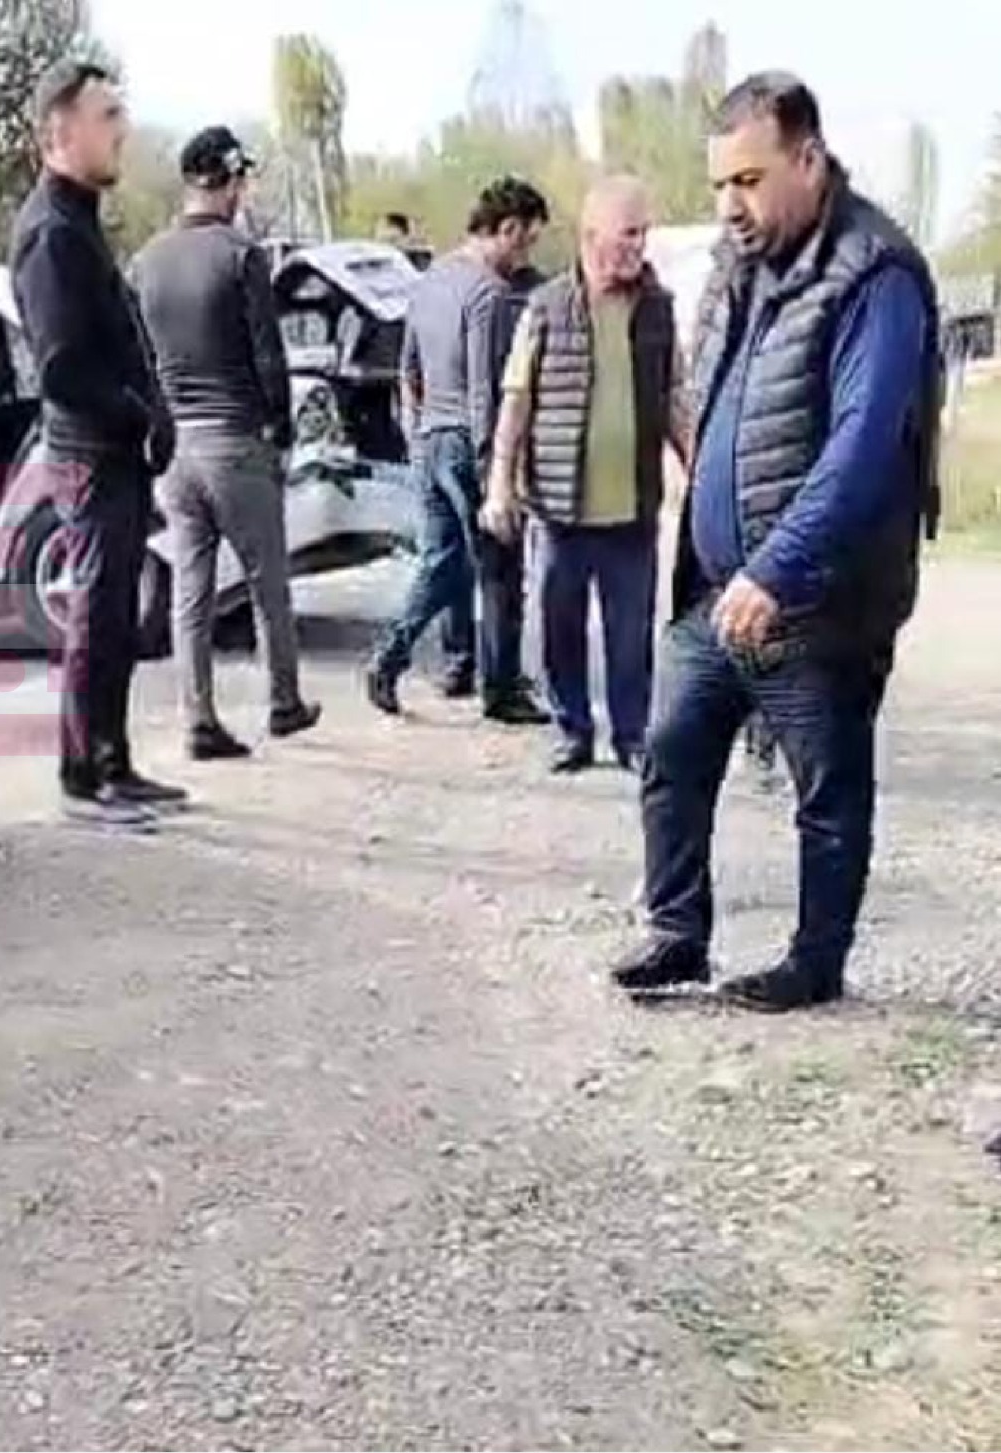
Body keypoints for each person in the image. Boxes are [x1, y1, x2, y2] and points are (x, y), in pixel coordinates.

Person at [613, 73, 941, 1012]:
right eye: (720, 184)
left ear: (808, 158)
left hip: (816, 595)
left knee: (825, 788)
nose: (730, 205)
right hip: (718, 586)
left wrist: (780, 564)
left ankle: (815, 962)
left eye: (748, 181)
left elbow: (866, 445)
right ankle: (677, 933)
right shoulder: (738, 263)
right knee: (672, 748)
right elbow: (711, 398)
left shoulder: (876, 274)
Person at [9, 60, 186, 830]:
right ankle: (83, 777)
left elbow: (115, 340)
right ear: (61, 132)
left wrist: (154, 411)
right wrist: (138, 416)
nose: (123, 130)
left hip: (114, 452)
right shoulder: (51, 233)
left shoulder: (79, 221)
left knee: (116, 614)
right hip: (90, 453)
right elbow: (63, 368)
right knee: (96, 612)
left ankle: (113, 763)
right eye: (107, 115)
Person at [483, 174, 692, 773]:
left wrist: (696, 467)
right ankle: (572, 730)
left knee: (631, 636)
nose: (638, 246)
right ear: (591, 235)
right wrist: (500, 484)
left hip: (632, 509)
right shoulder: (545, 308)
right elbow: (516, 401)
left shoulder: (658, 308)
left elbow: (676, 395)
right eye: (628, 234)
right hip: (560, 509)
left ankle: (631, 737)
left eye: (643, 233)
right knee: (560, 629)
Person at [130, 125, 322, 761]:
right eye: (243, 180)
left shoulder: (146, 262)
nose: (244, 193)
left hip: (176, 451)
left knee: (191, 590)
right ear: (230, 180)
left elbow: (140, 360)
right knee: (269, 582)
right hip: (236, 441)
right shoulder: (241, 255)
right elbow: (269, 356)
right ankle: (284, 703)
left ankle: (198, 718)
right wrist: (282, 430)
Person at [365, 177, 552, 720]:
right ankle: (501, 688)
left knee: (442, 562)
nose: (525, 257)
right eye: (526, 242)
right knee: (498, 568)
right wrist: (497, 473)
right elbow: (483, 391)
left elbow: (408, 369)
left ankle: (416, 659)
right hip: (469, 440)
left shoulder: (431, 281)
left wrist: (416, 435)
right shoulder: (487, 294)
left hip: (429, 437)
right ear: (507, 229)